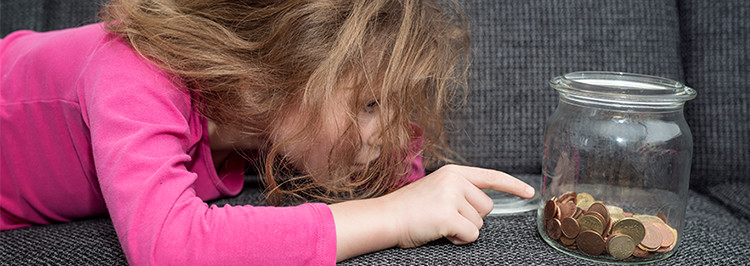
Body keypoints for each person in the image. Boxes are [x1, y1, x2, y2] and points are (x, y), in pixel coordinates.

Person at [0, 0, 534, 264]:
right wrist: (394, 215)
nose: (389, 134)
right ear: (275, 75)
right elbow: (168, 246)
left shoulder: (264, 117)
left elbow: (395, 161)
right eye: (371, 104)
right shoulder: (128, 69)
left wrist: (410, 182)